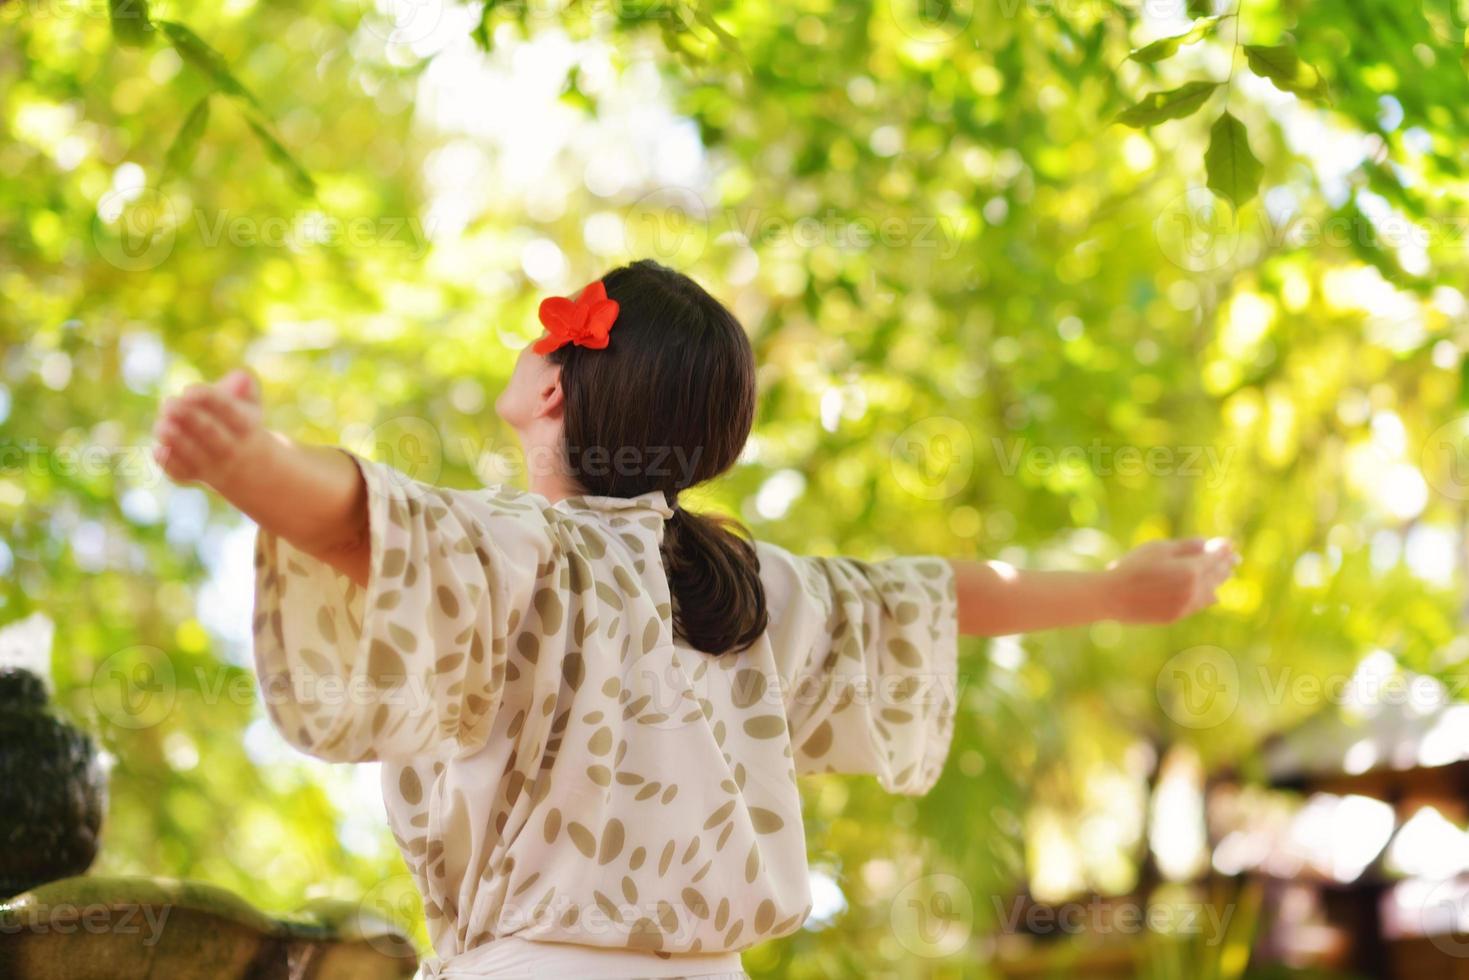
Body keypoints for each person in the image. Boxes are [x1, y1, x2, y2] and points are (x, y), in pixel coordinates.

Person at [152, 259, 1238, 978]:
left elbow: (366, 523)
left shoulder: (536, 547)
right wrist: (1106, 588)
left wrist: (249, 462)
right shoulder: (744, 587)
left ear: (550, 394)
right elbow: (937, 591)